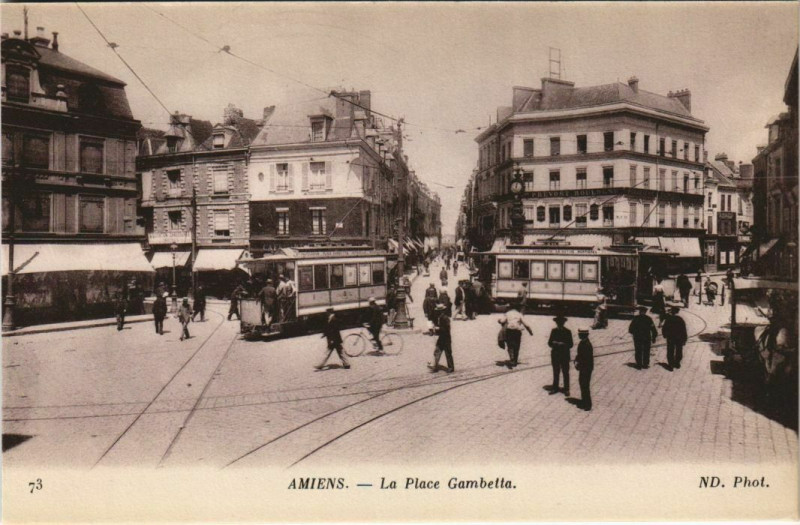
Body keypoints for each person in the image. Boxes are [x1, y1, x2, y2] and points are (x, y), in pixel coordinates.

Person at [498, 304, 533, 369]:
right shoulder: (519, 314)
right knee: (517, 346)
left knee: (510, 345)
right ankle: (515, 361)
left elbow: (502, 321)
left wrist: (499, 320)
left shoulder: (507, 313)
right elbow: (526, 324)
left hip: (509, 331)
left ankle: (512, 359)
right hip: (517, 332)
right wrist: (530, 332)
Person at [548, 314, 573, 395]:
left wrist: (562, 344)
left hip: (564, 354)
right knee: (556, 371)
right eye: (558, 322)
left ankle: (566, 389)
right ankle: (555, 388)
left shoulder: (568, 331)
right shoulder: (553, 331)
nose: (559, 324)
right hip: (555, 355)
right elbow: (549, 343)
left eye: (561, 322)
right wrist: (553, 343)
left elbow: (571, 344)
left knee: (565, 372)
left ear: (564, 322)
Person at [628, 305, 658, 369]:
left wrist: (635, 333)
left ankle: (639, 364)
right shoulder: (648, 319)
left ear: (640, 312)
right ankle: (645, 364)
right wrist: (654, 337)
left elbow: (630, 329)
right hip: (646, 337)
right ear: (645, 312)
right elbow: (653, 329)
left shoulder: (636, 318)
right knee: (646, 351)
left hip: (638, 337)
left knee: (638, 351)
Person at [662, 304, 688, 370]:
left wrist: (665, 335)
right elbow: (683, 329)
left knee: (670, 350)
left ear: (672, 312)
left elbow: (664, 328)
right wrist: (684, 339)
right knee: (679, 350)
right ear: (677, 312)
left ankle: (671, 364)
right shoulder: (680, 319)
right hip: (679, 338)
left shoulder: (668, 319)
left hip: (670, 338)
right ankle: (677, 363)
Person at [429, 303, 453, 373]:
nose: (437, 312)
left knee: (448, 353)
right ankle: (435, 366)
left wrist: (438, 328)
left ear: (441, 311)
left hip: (446, 339)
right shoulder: (440, 317)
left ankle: (451, 367)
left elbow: (446, 329)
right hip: (441, 338)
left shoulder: (445, 318)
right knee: (437, 352)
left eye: (438, 311)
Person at [574, 329, 594, 411]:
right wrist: (576, 360)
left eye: (580, 334)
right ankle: (584, 400)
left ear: (583, 335)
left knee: (585, 385)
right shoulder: (582, 342)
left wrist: (579, 364)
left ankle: (588, 404)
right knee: (582, 384)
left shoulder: (587, 344)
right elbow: (579, 355)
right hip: (583, 368)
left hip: (586, 368)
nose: (578, 335)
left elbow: (586, 358)